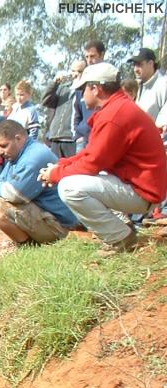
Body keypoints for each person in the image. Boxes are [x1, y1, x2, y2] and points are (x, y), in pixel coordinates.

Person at [39, 63, 167, 255]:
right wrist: (60, 166)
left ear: (95, 88)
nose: (82, 96)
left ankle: (120, 237)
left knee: (69, 188)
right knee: (71, 179)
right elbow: (91, 154)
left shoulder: (114, 115)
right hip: (140, 186)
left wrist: (56, 174)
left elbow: (92, 163)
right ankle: (121, 228)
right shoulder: (117, 108)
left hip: (142, 193)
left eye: (83, 89)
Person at [0, 120, 78, 244]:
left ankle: (28, 247)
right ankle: (27, 242)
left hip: (59, 225)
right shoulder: (16, 155)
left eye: (3, 145)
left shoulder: (33, 158)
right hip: (44, 214)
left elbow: (13, 194)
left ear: (18, 138)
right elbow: (2, 183)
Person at [42, 60, 85, 158]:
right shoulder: (63, 88)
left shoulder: (85, 91)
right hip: (56, 139)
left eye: (79, 72)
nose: (75, 75)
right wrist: (54, 83)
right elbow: (45, 100)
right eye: (73, 71)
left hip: (72, 140)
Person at [73, 40, 106, 152]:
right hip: (82, 139)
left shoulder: (109, 78)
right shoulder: (83, 79)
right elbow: (77, 112)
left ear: (102, 55)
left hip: (101, 136)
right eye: (87, 57)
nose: (89, 60)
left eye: (93, 56)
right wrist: (78, 133)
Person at [128, 47, 167, 121]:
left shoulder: (163, 86)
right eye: (134, 65)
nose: (135, 69)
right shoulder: (136, 86)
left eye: (139, 64)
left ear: (151, 63)